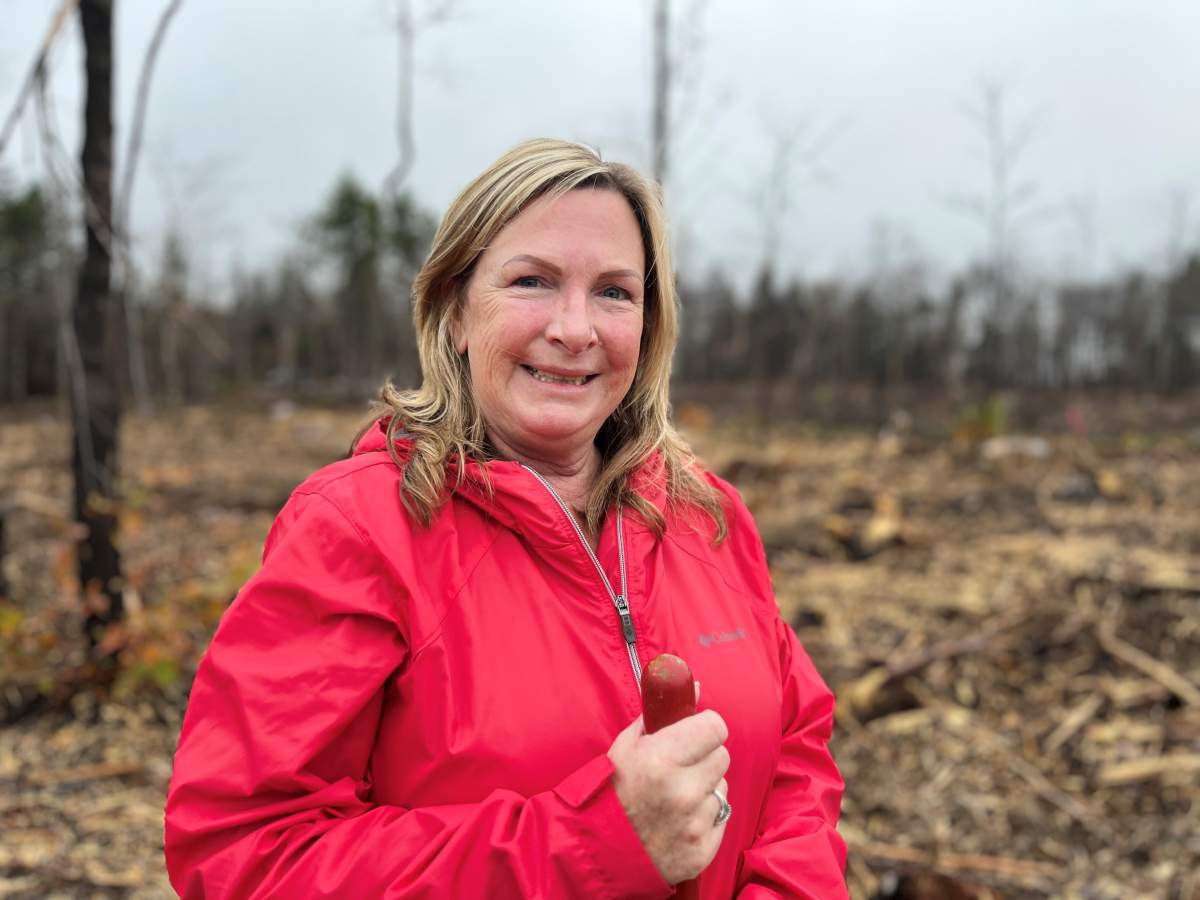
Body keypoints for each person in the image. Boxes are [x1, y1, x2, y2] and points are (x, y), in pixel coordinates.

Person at [164, 138, 847, 898]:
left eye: (615, 293)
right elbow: (246, 855)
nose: (576, 328)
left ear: (649, 327)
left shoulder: (706, 516)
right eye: (533, 282)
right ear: (455, 310)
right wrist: (593, 843)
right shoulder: (356, 531)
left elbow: (796, 757)